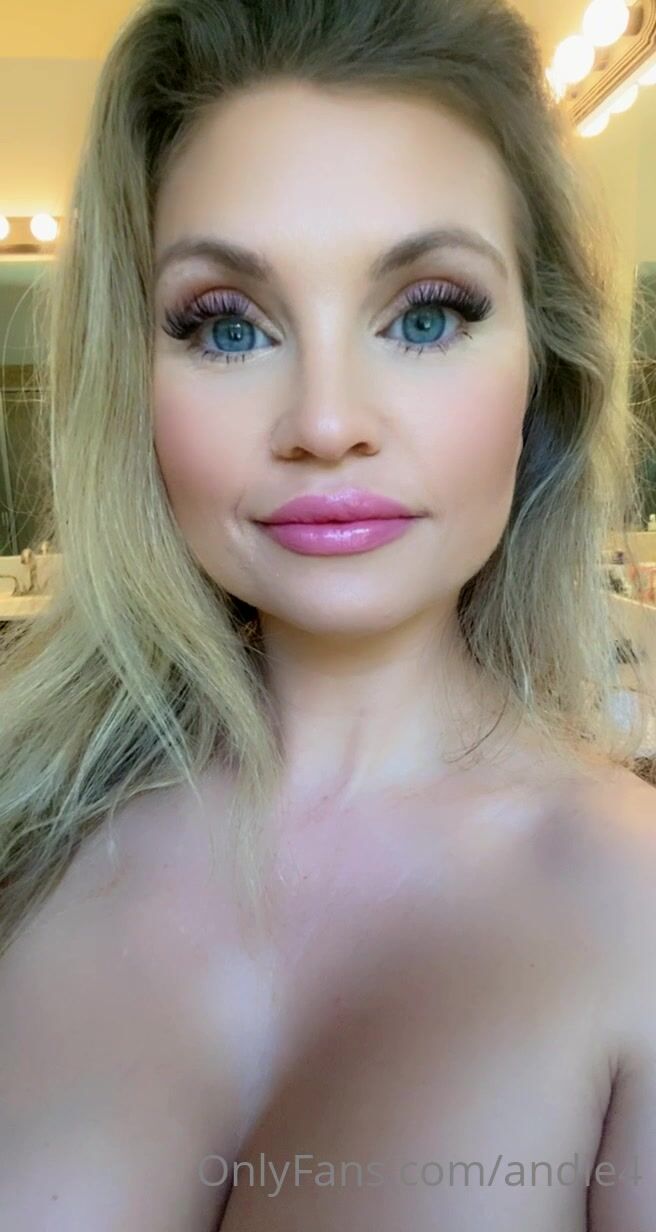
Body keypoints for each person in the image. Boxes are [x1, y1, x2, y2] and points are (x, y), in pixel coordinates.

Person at [1, 0, 655, 1227]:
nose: (324, 420)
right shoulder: (28, 836)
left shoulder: (634, 907)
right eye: (226, 325)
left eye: (424, 314)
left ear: (544, 367)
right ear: (133, 379)